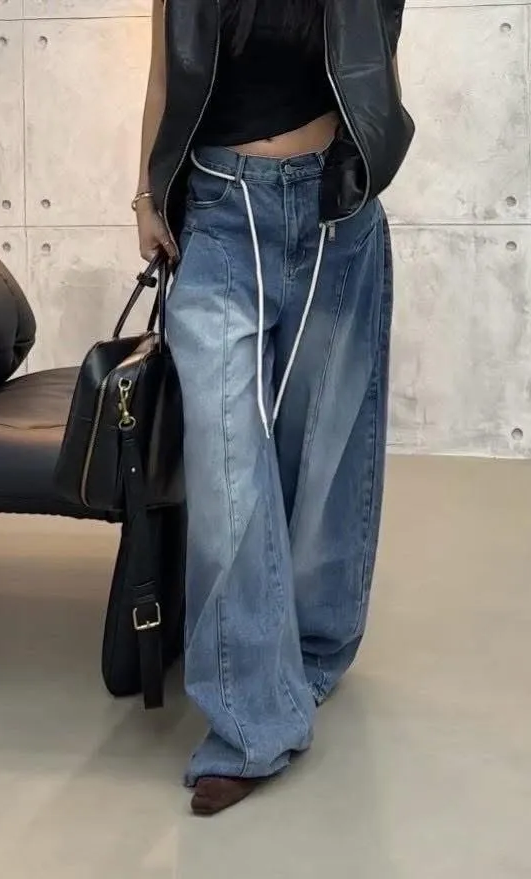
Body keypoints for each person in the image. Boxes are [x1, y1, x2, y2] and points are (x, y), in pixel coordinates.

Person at [135, 0, 414, 816]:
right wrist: (145, 195)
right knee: (227, 470)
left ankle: (311, 653)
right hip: (221, 214)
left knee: (326, 451)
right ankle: (250, 722)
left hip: (336, 214)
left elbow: (381, 69)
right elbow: (163, 78)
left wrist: (370, 170)